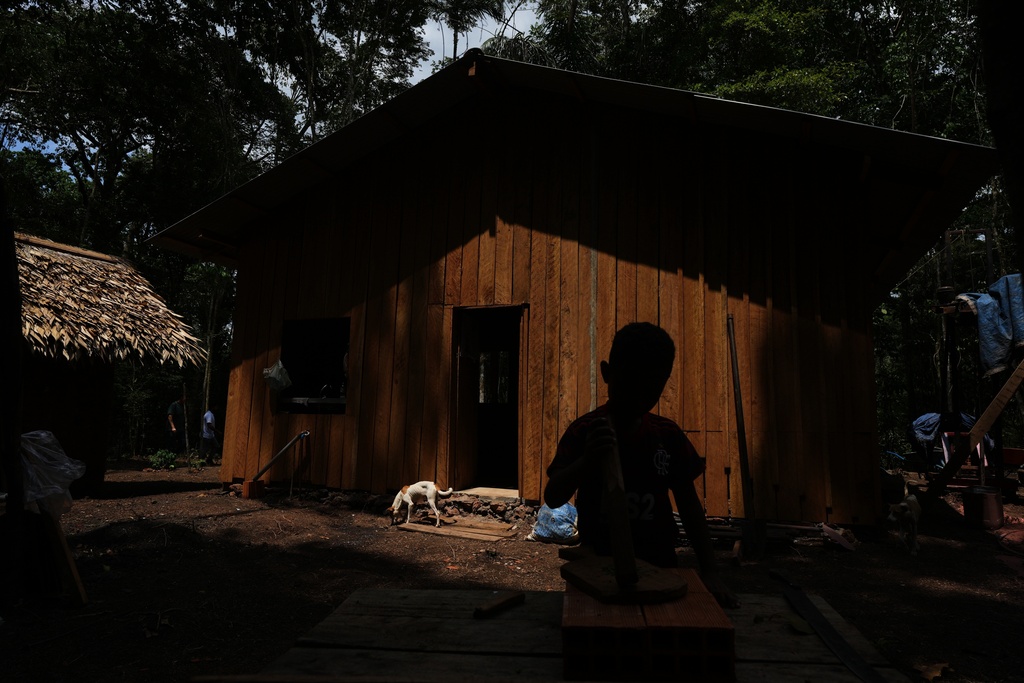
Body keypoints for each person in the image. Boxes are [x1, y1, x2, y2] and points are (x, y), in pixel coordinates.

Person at [544, 322, 739, 608]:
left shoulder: (667, 435)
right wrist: (587, 461)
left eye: (651, 387)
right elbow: (553, 496)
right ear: (607, 374)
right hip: (596, 565)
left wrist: (710, 572)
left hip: (660, 563)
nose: (639, 396)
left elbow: (689, 506)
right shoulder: (585, 432)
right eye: (630, 383)